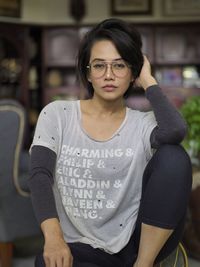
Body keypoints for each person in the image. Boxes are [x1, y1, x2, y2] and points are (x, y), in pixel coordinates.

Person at [29, 18, 192, 267]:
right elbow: (40, 175)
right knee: (46, 262)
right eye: (99, 66)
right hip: (78, 245)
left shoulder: (143, 124)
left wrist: (148, 80)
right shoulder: (57, 114)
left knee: (175, 156)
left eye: (119, 65)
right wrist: (53, 238)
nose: (108, 75)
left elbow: (176, 130)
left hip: (137, 245)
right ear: (88, 72)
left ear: (132, 72)